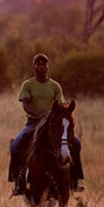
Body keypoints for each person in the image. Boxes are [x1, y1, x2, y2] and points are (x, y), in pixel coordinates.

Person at [9, 53, 84, 195]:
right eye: (38, 64)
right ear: (34, 67)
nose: (41, 67)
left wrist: (56, 116)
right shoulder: (28, 85)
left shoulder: (55, 86)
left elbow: (61, 104)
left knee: (76, 143)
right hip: (33, 122)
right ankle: (17, 181)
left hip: (52, 124)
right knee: (15, 145)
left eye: (44, 64)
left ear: (48, 67)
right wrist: (38, 115)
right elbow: (25, 104)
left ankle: (75, 180)